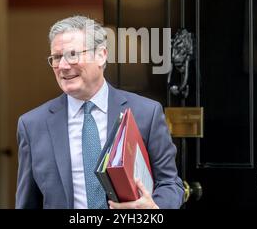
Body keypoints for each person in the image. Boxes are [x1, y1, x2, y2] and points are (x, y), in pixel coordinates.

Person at [16, 15, 184, 209]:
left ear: (101, 55)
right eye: (56, 57)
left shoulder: (146, 113)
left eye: (72, 55)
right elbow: (27, 202)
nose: (62, 66)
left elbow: (170, 184)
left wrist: (154, 209)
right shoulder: (33, 125)